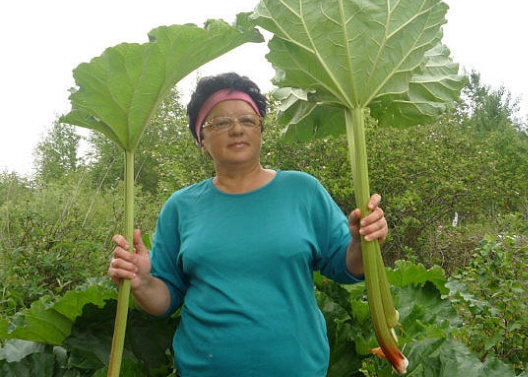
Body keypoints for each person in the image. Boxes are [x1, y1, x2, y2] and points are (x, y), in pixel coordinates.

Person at [108, 72, 389, 376]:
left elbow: (348, 268)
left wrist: (361, 243)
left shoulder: (302, 191)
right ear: (201, 140)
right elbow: (164, 301)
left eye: (248, 120)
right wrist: (141, 282)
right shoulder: (181, 206)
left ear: (260, 131)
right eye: (221, 122)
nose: (237, 130)